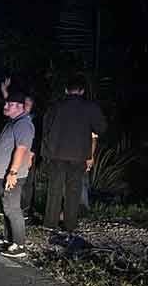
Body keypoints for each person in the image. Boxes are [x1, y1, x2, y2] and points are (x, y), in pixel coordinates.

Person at [41, 75, 107, 233]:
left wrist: (46, 152)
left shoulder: (55, 106)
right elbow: (101, 128)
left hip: (56, 154)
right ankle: (70, 225)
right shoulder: (90, 107)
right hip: (78, 155)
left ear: (66, 90)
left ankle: (50, 224)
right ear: (82, 91)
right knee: (74, 190)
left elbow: (45, 129)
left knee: (54, 189)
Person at [0, 91, 35, 258]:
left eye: (9, 104)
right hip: (2, 173)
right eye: (6, 103)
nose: (5, 106)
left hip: (11, 174)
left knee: (12, 208)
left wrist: (12, 172)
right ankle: (8, 240)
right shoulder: (14, 122)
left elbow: (21, 149)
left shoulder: (23, 124)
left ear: (20, 107)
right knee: (6, 207)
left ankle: (19, 245)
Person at [0, 78, 38, 219]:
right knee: (17, 184)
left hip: (28, 154)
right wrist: (5, 91)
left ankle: (25, 209)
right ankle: (14, 209)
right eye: (24, 103)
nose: (25, 105)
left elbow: (32, 140)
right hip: (18, 155)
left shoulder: (29, 120)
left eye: (28, 104)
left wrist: (30, 155)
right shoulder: (17, 118)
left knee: (27, 182)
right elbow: (10, 105)